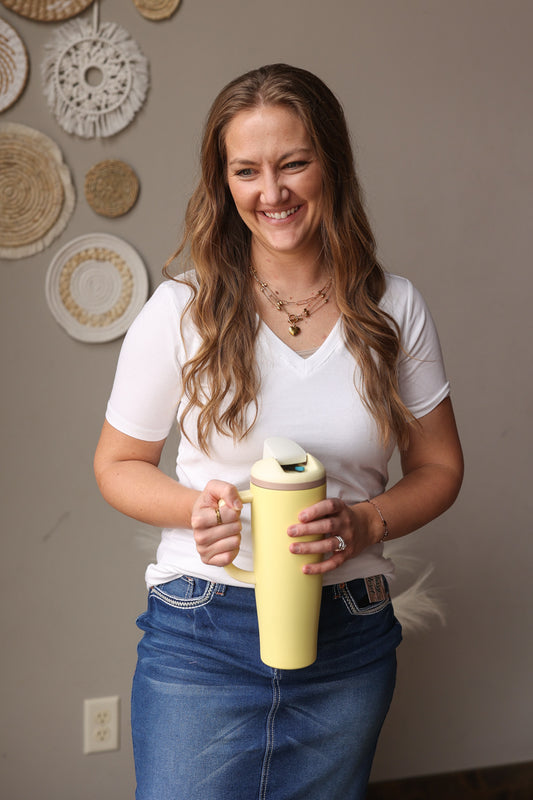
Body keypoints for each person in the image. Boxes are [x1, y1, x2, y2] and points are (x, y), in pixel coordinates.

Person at [94, 63, 463, 800]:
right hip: (204, 630)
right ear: (222, 182)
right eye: (247, 171)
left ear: (331, 162)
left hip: (349, 633)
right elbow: (118, 463)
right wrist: (192, 510)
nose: (272, 193)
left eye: (294, 162)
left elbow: (440, 467)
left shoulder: (393, 308)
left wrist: (365, 522)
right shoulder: (181, 310)